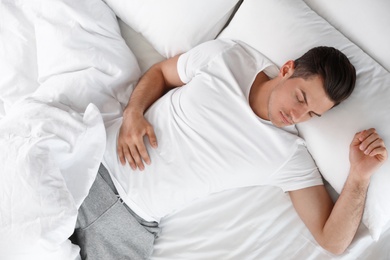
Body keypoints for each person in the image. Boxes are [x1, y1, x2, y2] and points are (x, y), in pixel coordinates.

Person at [71, 39, 388, 259]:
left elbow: (331, 241)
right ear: (288, 69)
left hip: (131, 227)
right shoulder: (228, 58)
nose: (297, 115)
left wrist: (359, 177)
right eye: (301, 98)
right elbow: (161, 73)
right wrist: (133, 113)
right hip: (93, 166)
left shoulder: (289, 155)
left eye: (312, 115)